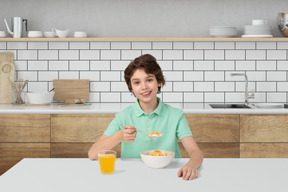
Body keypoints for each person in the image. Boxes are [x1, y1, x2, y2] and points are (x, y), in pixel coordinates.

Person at [88, 54, 203, 180]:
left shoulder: (176, 115)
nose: (144, 87)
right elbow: (93, 153)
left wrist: (191, 165)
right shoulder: (123, 116)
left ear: (158, 82)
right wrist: (119, 136)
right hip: (131, 176)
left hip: (169, 175)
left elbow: (195, 152)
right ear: (131, 87)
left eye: (149, 80)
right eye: (137, 82)